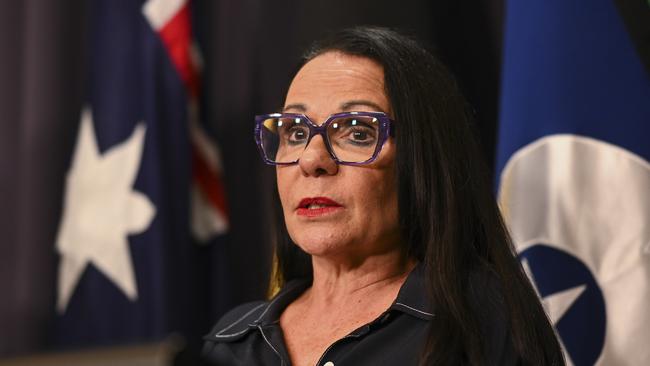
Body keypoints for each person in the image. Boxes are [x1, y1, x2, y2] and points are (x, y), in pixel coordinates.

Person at [203, 26, 565, 365]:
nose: (313, 160)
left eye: (358, 132)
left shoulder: (482, 326)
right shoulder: (231, 342)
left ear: (422, 161)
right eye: (295, 133)